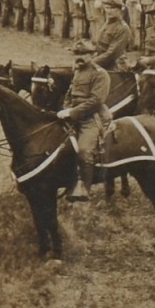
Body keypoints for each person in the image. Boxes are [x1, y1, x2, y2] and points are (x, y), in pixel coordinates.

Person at [57, 41, 112, 202]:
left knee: (84, 150)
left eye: (83, 54)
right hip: (73, 116)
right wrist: (65, 109)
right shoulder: (77, 72)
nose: (79, 57)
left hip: (91, 117)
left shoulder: (100, 74)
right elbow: (70, 94)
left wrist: (72, 112)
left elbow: (96, 100)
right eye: (77, 54)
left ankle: (84, 189)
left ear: (93, 55)